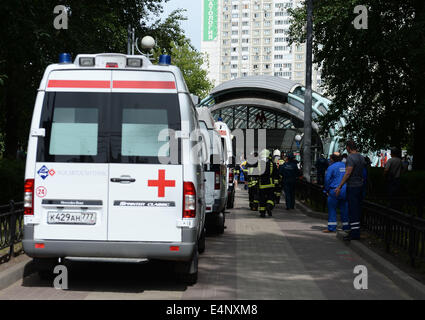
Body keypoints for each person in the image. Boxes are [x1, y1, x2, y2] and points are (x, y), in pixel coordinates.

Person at [335, 141, 366, 241]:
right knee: (357, 209)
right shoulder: (361, 157)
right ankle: (356, 231)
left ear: (348, 148)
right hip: (360, 185)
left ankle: (354, 233)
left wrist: (340, 186)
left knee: (352, 210)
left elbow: (348, 173)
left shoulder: (350, 158)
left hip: (352, 186)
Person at [323, 154, 349, 233]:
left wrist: (326, 190)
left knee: (332, 209)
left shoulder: (331, 167)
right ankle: (346, 227)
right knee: (345, 209)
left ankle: (332, 227)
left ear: (332, 159)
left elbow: (327, 179)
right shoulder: (346, 166)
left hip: (334, 190)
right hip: (345, 190)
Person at [258, 149, 278, 217]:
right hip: (270, 184)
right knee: (271, 197)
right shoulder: (272, 163)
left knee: (262, 199)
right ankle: (269, 206)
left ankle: (262, 213)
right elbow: (276, 174)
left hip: (262, 184)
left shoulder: (259, 164)